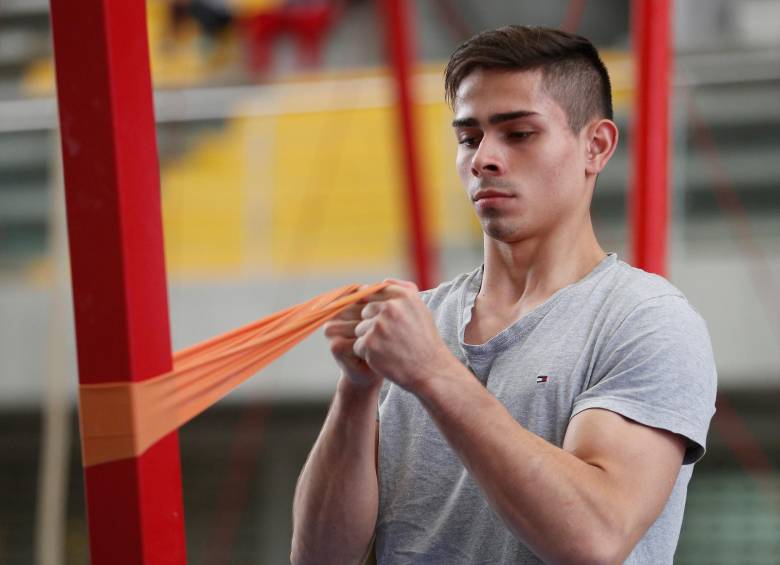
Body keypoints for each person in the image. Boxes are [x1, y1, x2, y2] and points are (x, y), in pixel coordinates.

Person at [290, 25, 717, 565]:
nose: (483, 159)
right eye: (469, 138)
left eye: (518, 134)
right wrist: (356, 390)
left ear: (596, 146)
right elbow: (319, 559)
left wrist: (435, 373)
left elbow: (595, 539)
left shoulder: (644, 320)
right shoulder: (419, 322)